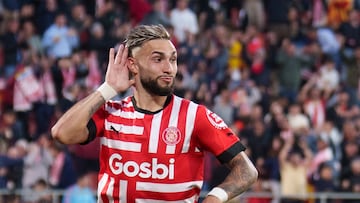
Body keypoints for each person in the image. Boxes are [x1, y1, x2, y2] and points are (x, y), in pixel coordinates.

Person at [51, 24, 258, 202]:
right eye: (158, 59)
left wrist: (214, 198)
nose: (169, 68)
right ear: (133, 64)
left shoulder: (195, 116)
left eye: (173, 59)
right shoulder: (111, 112)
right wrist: (108, 89)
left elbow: (247, 170)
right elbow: (62, 133)